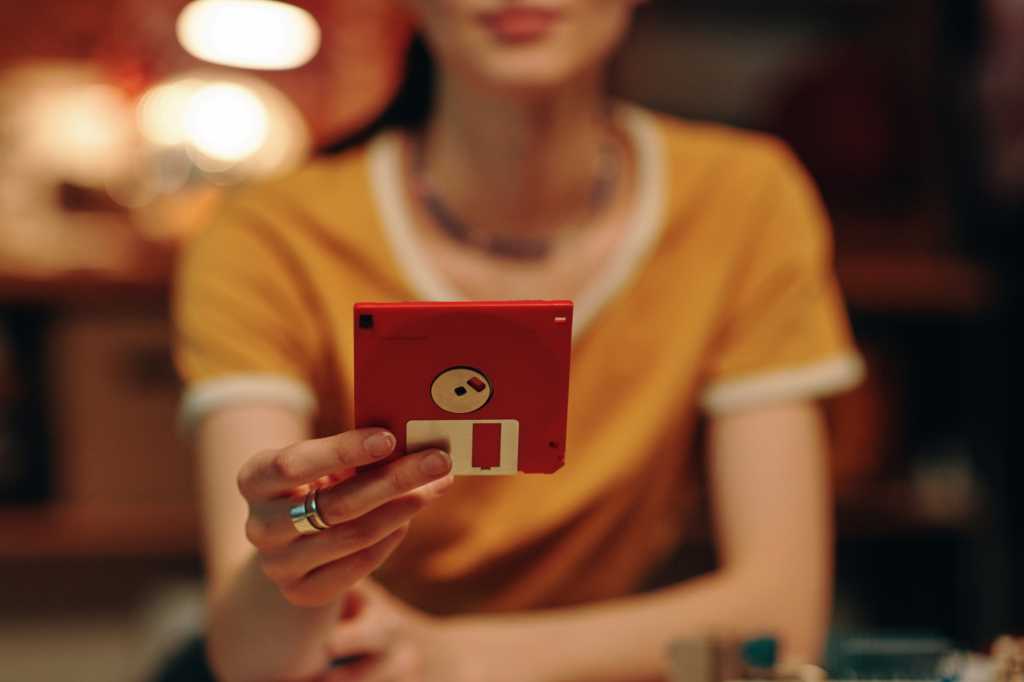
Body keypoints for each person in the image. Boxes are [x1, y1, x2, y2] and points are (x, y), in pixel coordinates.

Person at [173, 1, 865, 680]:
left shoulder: (743, 199)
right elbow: (256, 659)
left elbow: (781, 616)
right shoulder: (268, 234)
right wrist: (295, 569)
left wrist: (451, 656)